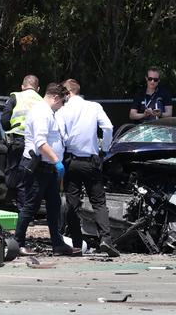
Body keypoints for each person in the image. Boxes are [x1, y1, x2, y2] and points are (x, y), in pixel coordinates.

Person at [57, 79, 120, 257]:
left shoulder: (63, 110)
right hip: (91, 160)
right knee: (99, 202)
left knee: (72, 204)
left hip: (72, 160)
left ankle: (77, 243)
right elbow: (108, 127)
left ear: (68, 93)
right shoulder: (94, 107)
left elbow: (61, 134)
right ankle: (106, 239)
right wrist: (104, 150)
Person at [14, 83, 77, 256]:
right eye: (62, 102)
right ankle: (17, 243)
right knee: (30, 206)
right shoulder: (42, 113)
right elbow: (40, 143)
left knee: (54, 206)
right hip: (38, 167)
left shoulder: (49, 112)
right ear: (55, 98)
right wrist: (57, 160)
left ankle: (57, 243)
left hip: (48, 168)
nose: (62, 106)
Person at [0, 75, 42, 211]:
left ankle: (22, 211)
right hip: (37, 144)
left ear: (22, 86)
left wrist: (10, 129)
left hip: (18, 141)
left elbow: (4, 121)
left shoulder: (15, 97)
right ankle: (30, 212)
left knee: (16, 177)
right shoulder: (42, 101)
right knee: (32, 178)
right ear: (38, 88)